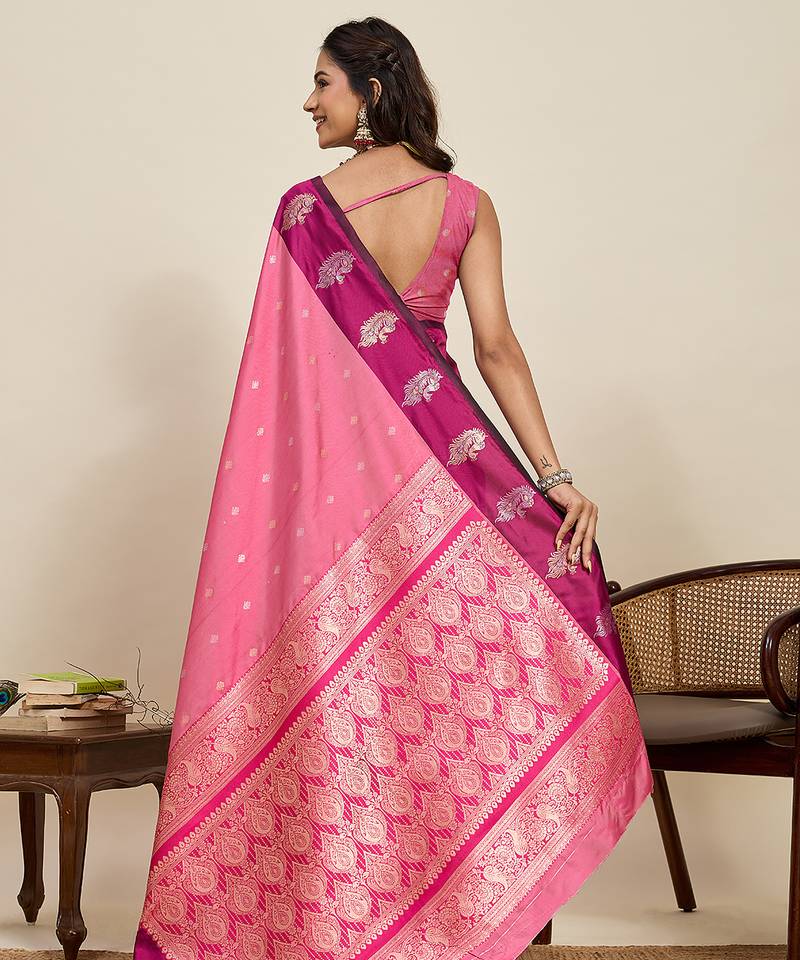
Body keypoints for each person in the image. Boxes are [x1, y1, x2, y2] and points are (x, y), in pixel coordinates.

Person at [133, 16, 653, 960]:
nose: (308, 101)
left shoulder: (304, 213)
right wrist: (554, 478)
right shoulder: (466, 203)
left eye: (322, 82)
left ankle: (346, 918)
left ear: (370, 90)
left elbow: (281, 391)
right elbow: (496, 348)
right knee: (436, 701)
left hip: (336, 507)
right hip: (443, 487)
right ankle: (448, 911)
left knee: (357, 707)